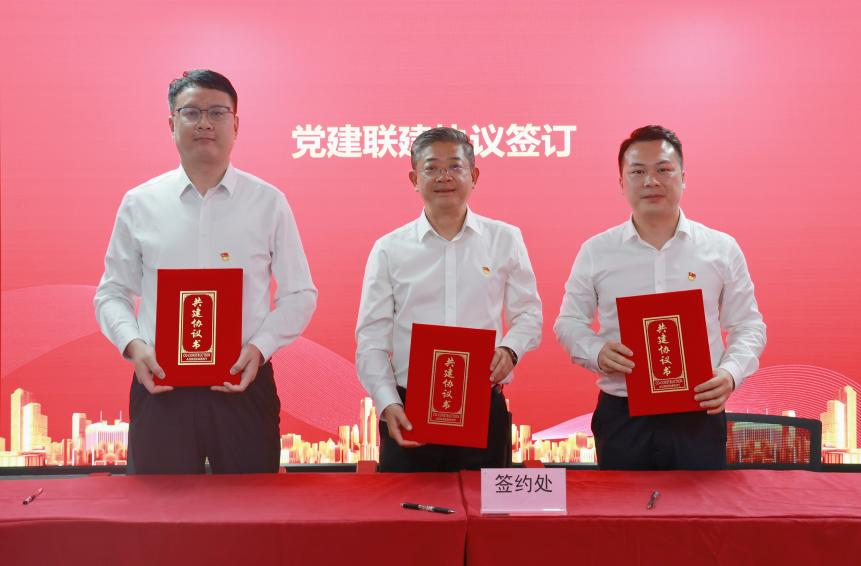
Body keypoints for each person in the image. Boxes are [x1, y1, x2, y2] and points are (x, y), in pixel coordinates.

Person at [94, 70, 316, 474]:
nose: (204, 123)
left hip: (243, 382)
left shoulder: (268, 202)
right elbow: (111, 293)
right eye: (191, 112)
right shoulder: (140, 203)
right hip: (161, 385)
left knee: (250, 507)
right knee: (159, 509)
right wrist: (135, 346)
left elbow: (300, 294)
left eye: (217, 112)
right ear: (171, 123)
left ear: (236, 124)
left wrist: (260, 348)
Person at [554, 125, 766, 470]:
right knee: (622, 505)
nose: (651, 181)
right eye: (638, 172)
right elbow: (569, 322)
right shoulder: (597, 251)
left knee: (699, 505)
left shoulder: (721, 248)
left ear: (683, 177)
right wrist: (596, 351)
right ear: (621, 183)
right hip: (623, 413)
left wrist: (730, 374)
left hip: (698, 410)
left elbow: (748, 325)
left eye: (663, 170)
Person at [355, 127, 543, 472]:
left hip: (482, 407)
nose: (444, 177)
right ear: (414, 179)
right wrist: (386, 402)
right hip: (409, 411)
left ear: (474, 175)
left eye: (455, 166)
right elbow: (371, 339)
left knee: (484, 507)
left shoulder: (505, 239)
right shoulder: (389, 249)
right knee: (408, 507)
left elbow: (529, 314)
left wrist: (510, 350)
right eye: (432, 168)